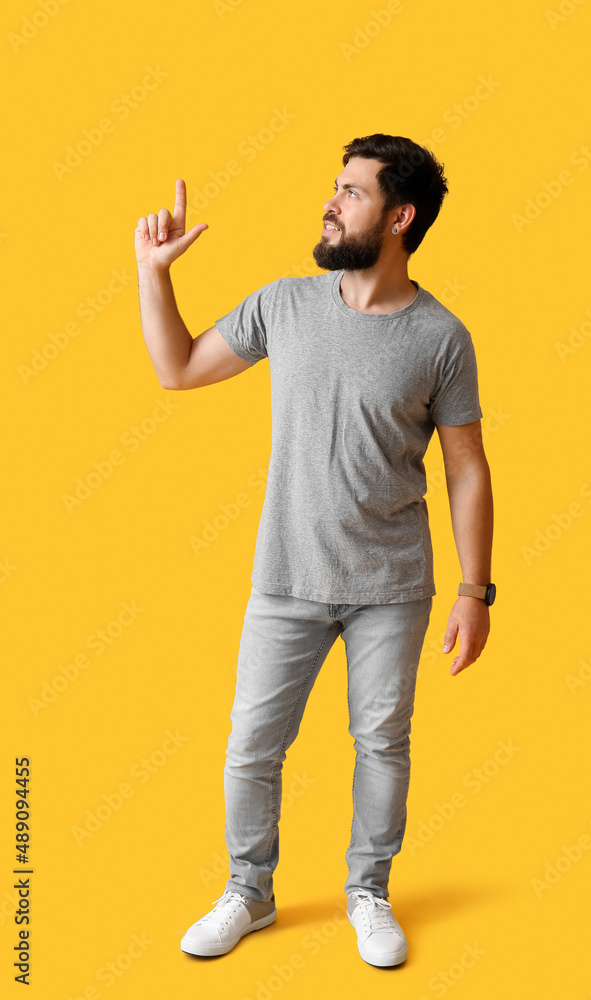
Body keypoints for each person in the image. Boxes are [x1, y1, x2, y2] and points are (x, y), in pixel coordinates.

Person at [134, 134, 495, 968]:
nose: (330, 202)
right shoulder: (283, 305)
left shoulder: (442, 336)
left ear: (399, 217)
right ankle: (248, 893)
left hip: (392, 584)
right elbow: (178, 368)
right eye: (333, 188)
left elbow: (466, 468)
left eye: (351, 192)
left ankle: (367, 890)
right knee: (252, 744)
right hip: (286, 577)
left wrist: (474, 592)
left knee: (381, 742)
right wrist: (155, 275)